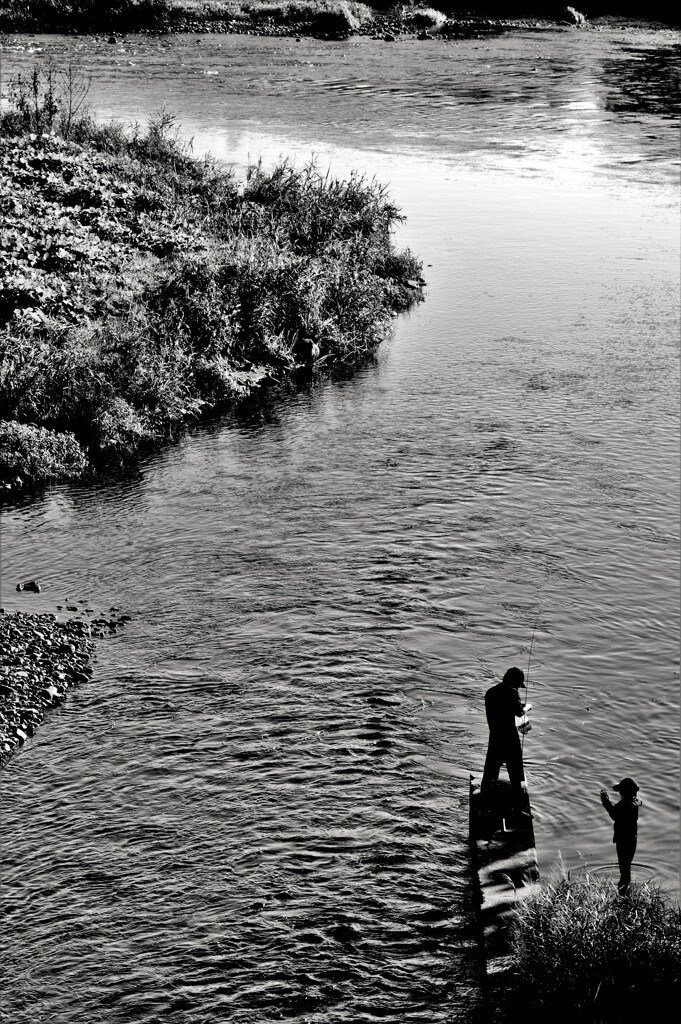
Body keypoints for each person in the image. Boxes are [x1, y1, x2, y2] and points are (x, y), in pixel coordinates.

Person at [481, 666, 528, 805]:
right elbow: (519, 712)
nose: (518, 688)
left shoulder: (490, 693)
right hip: (510, 741)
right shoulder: (512, 694)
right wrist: (527, 707)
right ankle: (519, 808)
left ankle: (484, 804)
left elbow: (502, 707)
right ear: (512, 681)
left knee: (489, 775)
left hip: (495, 740)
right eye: (517, 685)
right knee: (516, 776)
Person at [600, 777, 640, 895]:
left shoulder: (626, 804)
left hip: (624, 841)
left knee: (624, 868)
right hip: (631, 839)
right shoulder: (634, 802)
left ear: (624, 793)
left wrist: (605, 801)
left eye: (621, 792)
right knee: (626, 867)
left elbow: (614, 814)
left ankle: (622, 894)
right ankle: (626, 891)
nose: (620, 794)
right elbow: (616, 812)